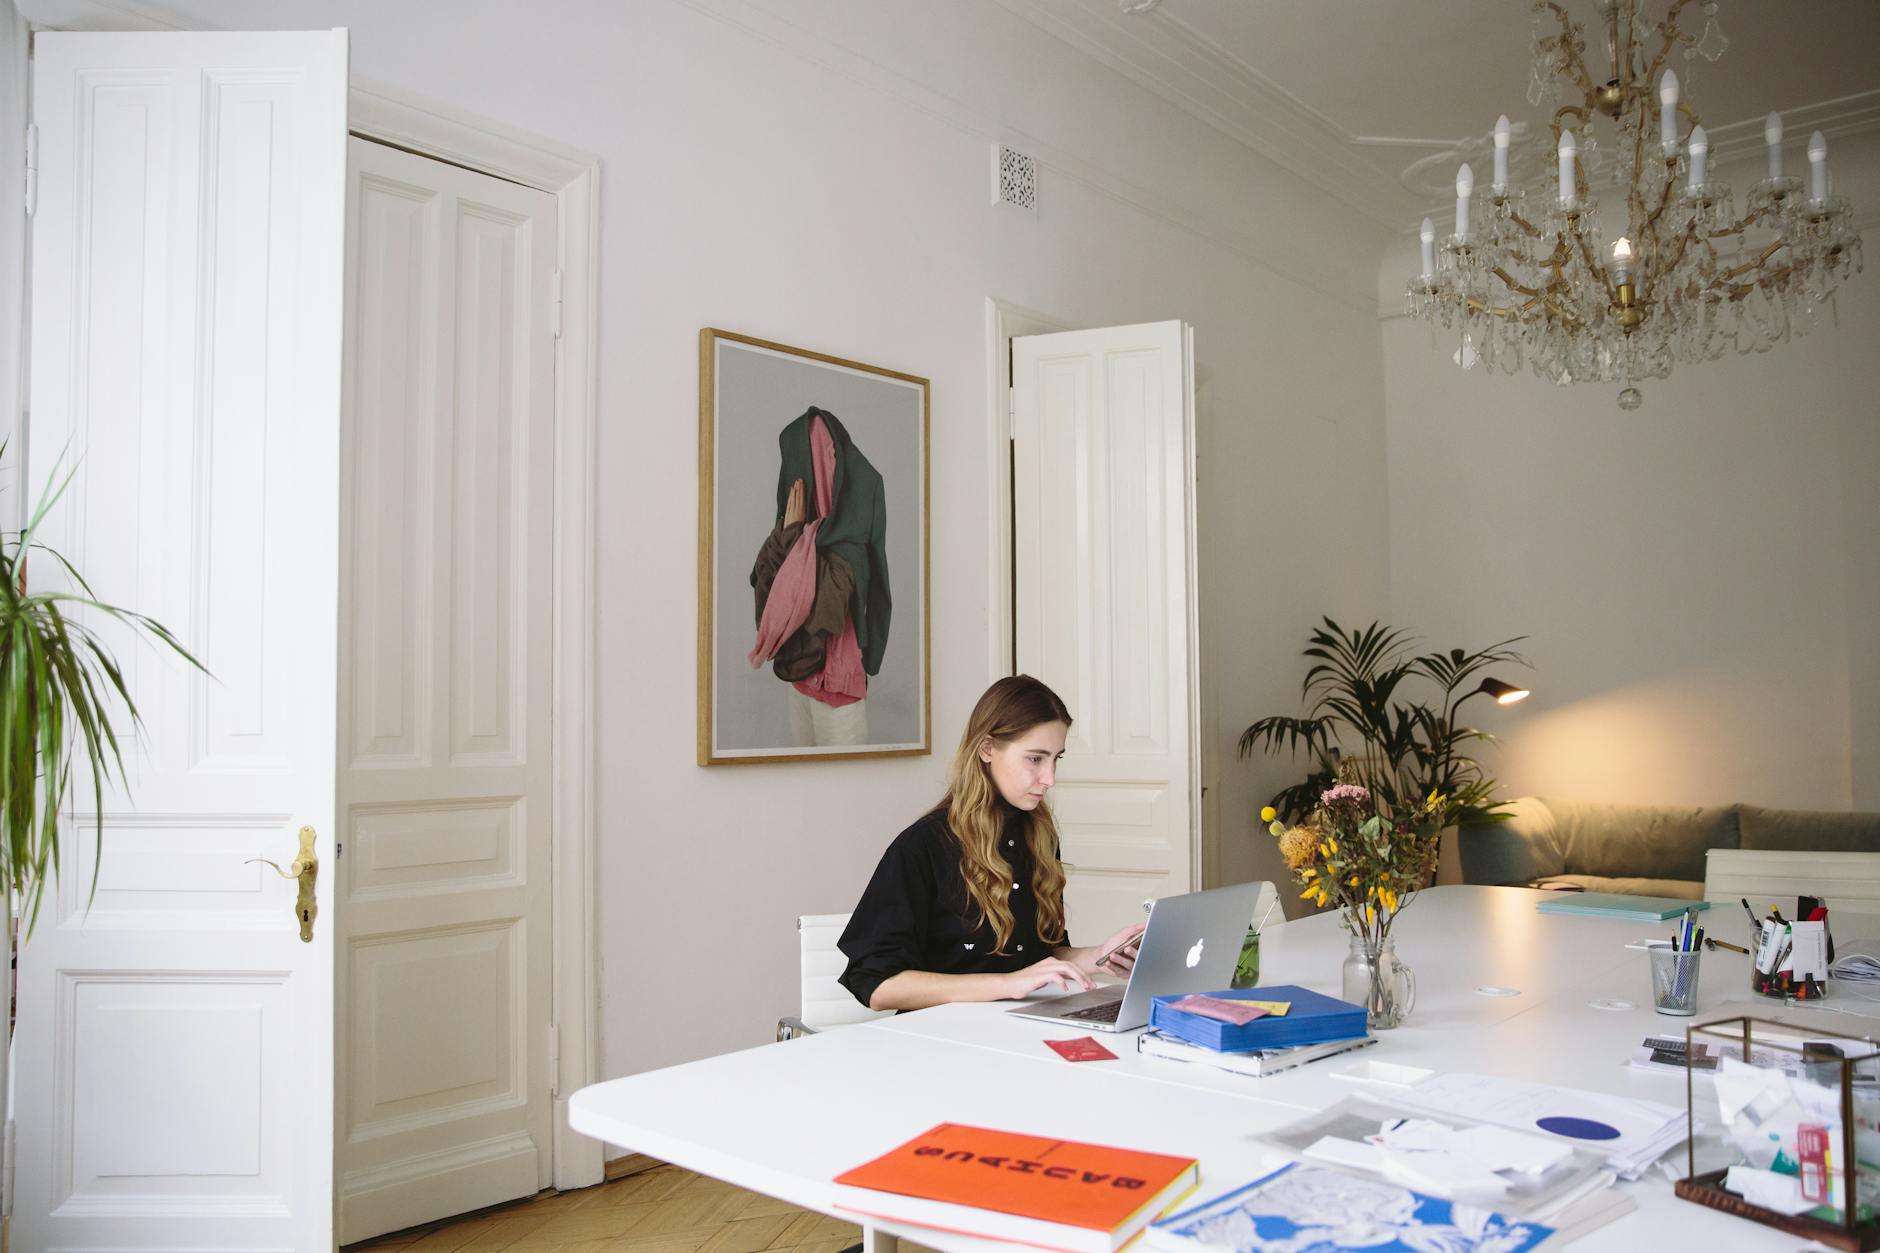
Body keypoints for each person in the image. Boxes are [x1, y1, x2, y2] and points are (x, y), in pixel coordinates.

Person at [837, 675, 1148, 1011]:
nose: (1049, 778)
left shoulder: (1037, 836)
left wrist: (1101, 956)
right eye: (1035, 758)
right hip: (943, 1041)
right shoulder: (921, 847)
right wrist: (1006, 984)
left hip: (1020, 1026)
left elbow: (1041, 955)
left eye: (1056, 758)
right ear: (987, 749)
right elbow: (877, 985)